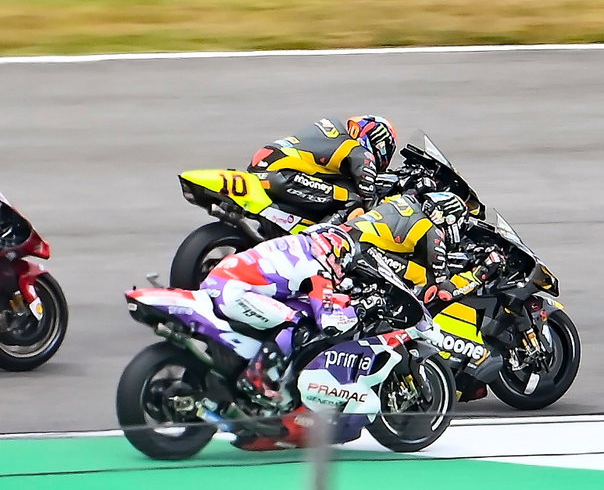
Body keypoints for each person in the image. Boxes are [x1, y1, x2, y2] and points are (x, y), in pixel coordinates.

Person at [200, 224, 365, 402]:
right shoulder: (318, 270)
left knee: (296, 307)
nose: (341, 271)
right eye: (342, 264)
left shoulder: (296, 244)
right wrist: (357, 311)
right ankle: (257, 378)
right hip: (233, 293)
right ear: (334, 254)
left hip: (220, 280)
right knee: (297, 321)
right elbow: (328, 323)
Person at [348, 190, 501, 307]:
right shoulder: (431, 232)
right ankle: (405, 321)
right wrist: (478, 275)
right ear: (450, 219)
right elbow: (445, 290)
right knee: (426, 280)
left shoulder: (404, 200)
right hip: (363, 249)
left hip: (343, 236)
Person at [247, 116, 398, 218]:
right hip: (281, 173)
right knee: (352, 201)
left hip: (264, 166)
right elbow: (367, 191)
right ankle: (317, 248)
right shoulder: (357, 150)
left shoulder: (333, 138)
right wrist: (380, 210)